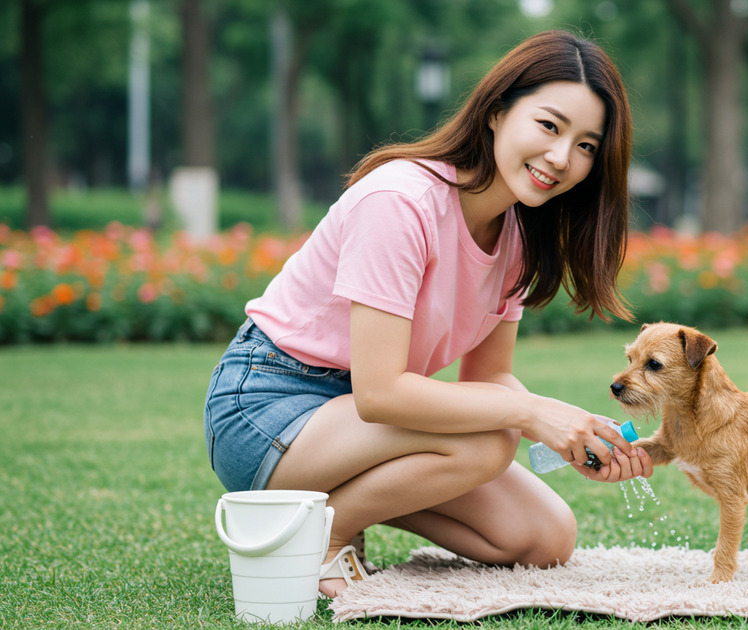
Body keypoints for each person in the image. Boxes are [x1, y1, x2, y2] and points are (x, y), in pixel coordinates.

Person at [203, 30, 653, 598]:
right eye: (549, 125)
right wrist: (530, 413)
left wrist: (570, 427)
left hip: (360, 427)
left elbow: (489, 380)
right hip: (270, 406)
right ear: (495, 112)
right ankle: (325, 535)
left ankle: (331, 513)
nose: (562, 157)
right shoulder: (400, 201)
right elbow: (381, 393)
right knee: (490, 440)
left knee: (545, 537)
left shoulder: (517, 236)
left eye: (587, 145)